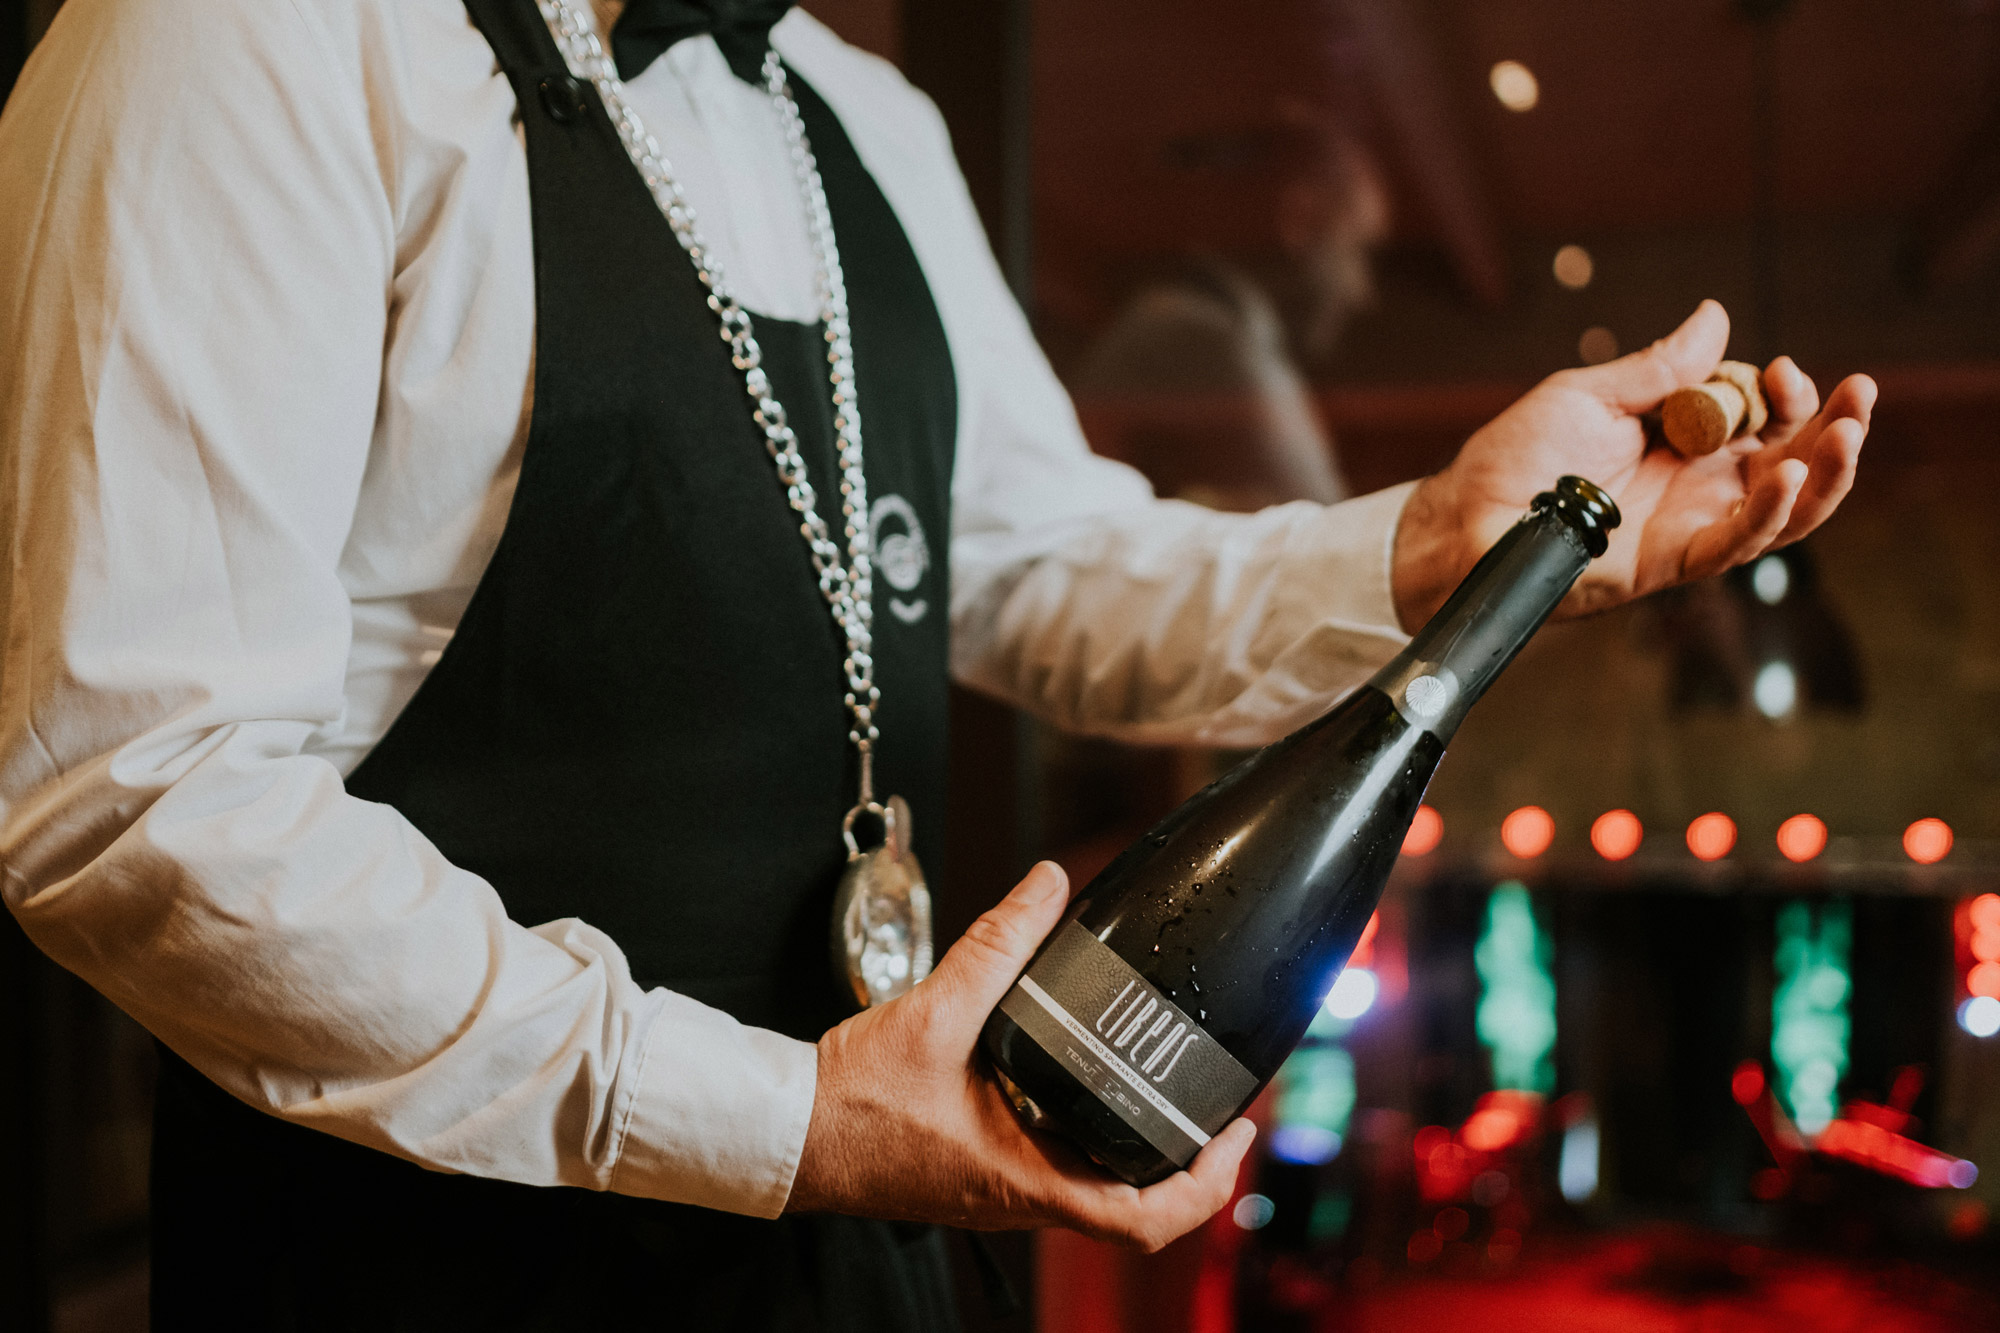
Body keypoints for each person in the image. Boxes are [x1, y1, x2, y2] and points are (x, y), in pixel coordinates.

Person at [0, 0, 1873, 1328]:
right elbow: (135, 792)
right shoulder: (241, 35)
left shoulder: (864, 117)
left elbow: (1041, 566)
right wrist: (792, 1121)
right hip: (436, 1266)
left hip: (870, 1252)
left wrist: (1433, 544)